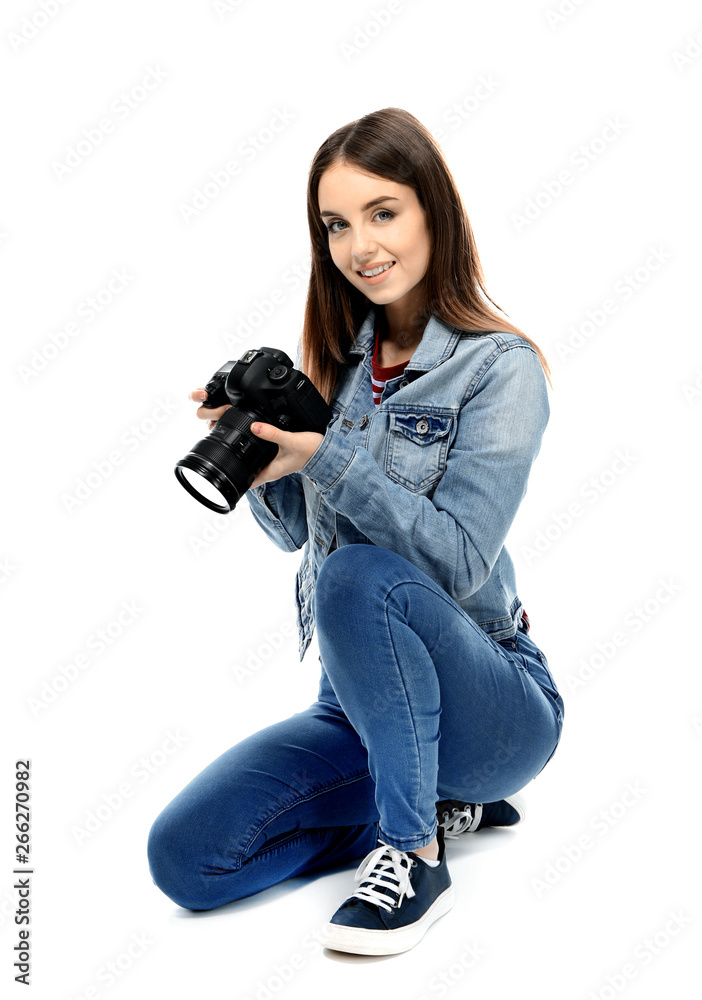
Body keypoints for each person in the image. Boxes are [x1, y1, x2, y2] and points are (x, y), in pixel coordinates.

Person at [147, 107, 565, 957]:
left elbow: (456, 558)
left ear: (432, 214)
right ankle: (437, 809)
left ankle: (414, 848)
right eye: (336, 224)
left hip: (494, 705)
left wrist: (327, 455)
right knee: (188, 861)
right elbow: (293, 537)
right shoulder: (334, 365)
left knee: (359, 577)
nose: (359, 245)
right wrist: (268, 454)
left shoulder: (500, 368)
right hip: (360, 709)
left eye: (383, 213)